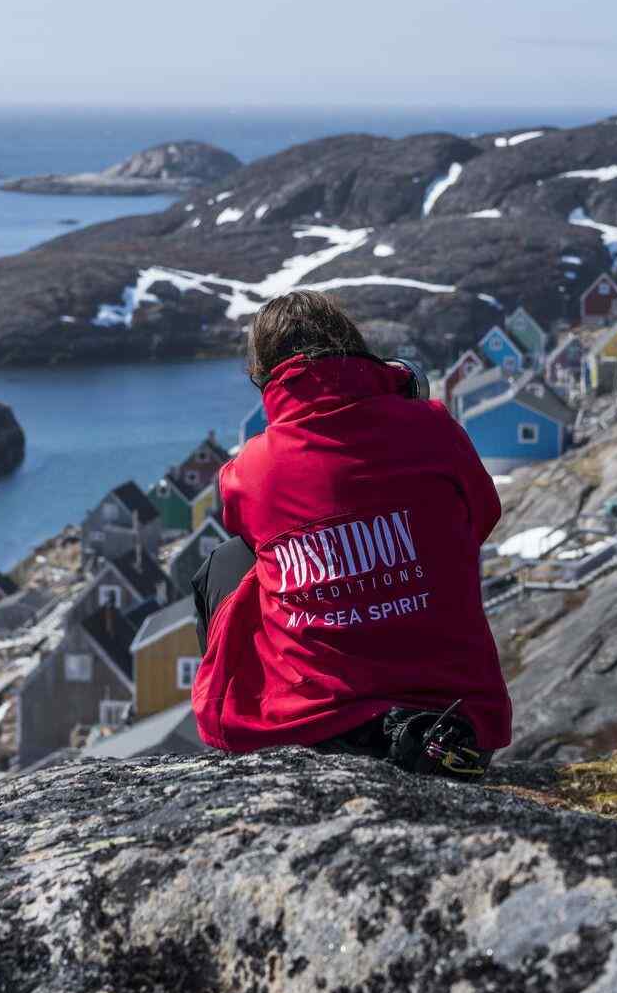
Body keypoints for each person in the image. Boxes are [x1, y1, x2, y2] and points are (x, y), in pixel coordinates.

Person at [191, 291, 510, 778]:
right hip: (454, 728)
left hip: (316, 729)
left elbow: (255, 541)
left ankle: (255, 727)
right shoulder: (434, 428)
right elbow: (483, 516)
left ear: (266, 377)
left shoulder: (250, 468)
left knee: (227, 562)